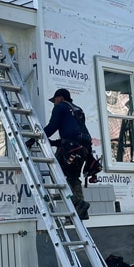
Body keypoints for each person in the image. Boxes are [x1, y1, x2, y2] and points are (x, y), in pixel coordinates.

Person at [41, 88, 92, 220]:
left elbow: (52, 126)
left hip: (70, 149)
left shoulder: (61, 107)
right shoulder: (78, 110)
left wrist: (33, 139)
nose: (54, 103)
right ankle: (81, 212)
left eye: (55, 100)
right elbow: (75, 133)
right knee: (73, 177)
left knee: (55, 172)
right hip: (83, 149)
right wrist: (56, 143)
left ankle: (77, 203)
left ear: (61, 98)